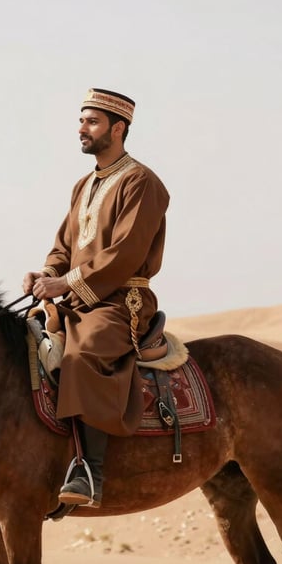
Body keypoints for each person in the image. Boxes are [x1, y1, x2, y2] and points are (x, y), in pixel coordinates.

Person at [22, 87, 170, 509]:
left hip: (122, 303)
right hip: (77, 297)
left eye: (91, 122)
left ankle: (89, 471)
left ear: (118, 128)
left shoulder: (142, 182)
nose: (81, 129)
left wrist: (64, 284)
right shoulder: (83, 186)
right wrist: (47, 275)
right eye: (81, 120)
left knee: (82, 353)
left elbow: (124, 255)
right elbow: (64, 245)